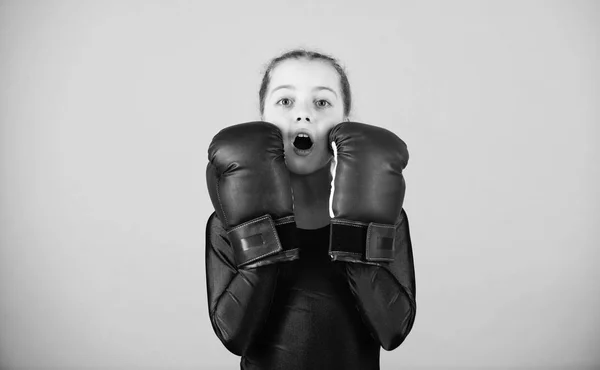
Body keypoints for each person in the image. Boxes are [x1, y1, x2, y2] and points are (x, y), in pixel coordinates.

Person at [205, 49, 416, 370]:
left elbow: (393, 331)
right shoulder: (227, 220)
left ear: (345, 122)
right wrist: (256, 232)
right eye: (285, 101)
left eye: (322, 102)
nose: (303, 114)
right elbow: (234, 335)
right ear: (263, 119)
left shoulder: (386, 215)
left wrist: (355, 235)